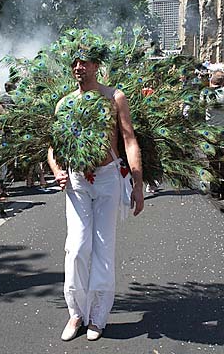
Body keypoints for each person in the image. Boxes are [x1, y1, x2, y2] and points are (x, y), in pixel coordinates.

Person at [48, 56, 144, 341]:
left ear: (96, 66)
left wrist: (137, 185)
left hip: (107, 177)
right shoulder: (64, 104)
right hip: (77, 180)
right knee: (76, 248)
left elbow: (129, 139)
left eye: (85, 62)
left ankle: (98, 317)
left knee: (103, 248)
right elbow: (54, 145)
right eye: (74, 63)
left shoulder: (115, 97)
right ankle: (76, 312)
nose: (79, 67)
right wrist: (57, 170)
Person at [200, 70, 224, 199]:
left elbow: (200, 107)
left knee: (213, 161)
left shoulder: (205, 92)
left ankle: (215, 190)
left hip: (211, 132)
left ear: (212, 80)